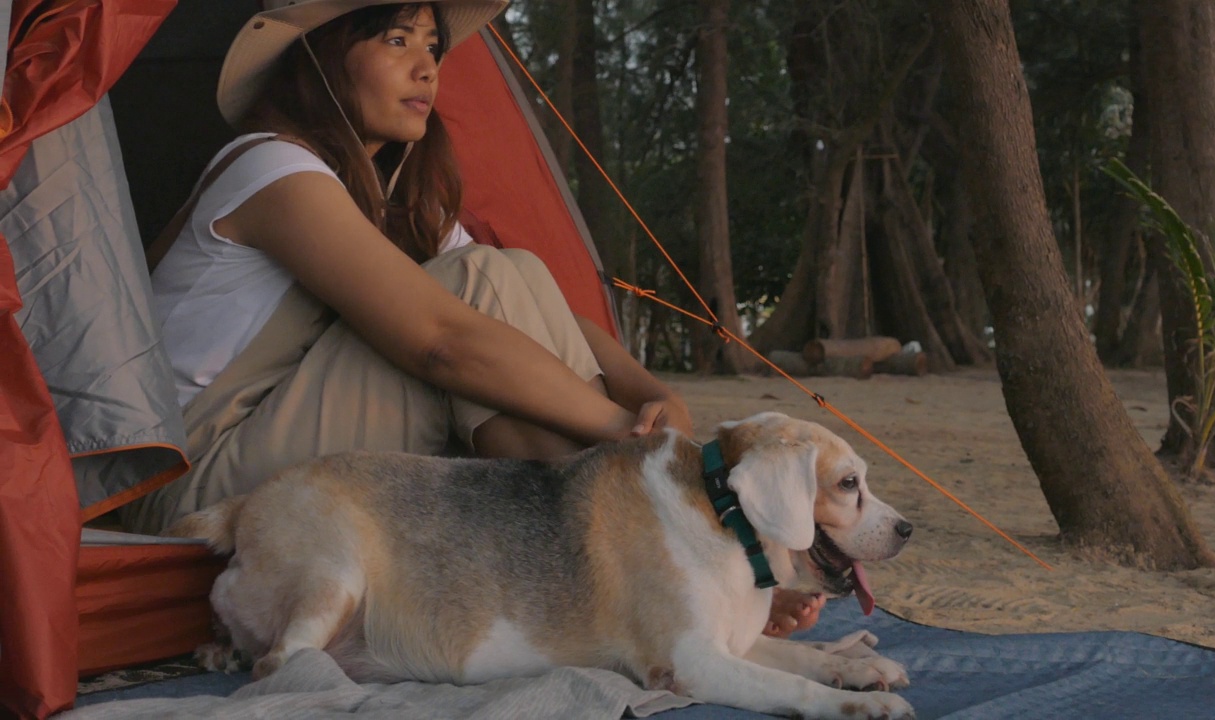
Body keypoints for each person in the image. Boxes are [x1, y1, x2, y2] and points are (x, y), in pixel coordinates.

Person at [124, 0, 817, 638]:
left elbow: (540, 312)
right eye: (397, 40)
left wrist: (648, 394)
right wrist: (628, 440)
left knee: (512, 270)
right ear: (318, 56)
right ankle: (653, 568)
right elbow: (441, 343)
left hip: (278, 448)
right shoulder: (269, 166)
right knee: (475, 294)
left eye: (431, 44)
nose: (427, 65)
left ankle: (640, 572)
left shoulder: (381, 196)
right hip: (192, 478)